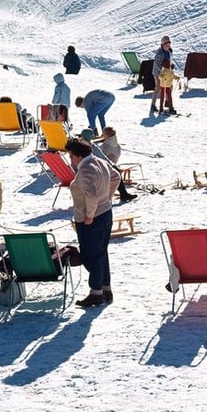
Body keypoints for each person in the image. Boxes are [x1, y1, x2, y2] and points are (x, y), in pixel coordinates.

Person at [66, 137, 119, 307]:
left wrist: (89, 214)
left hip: (92, 219)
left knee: (91, 255)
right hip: (105, 213)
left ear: (77, 156)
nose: (70, 159)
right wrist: (108, 198)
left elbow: (91, 195)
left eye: (71, 156)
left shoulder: (85, 169)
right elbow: (116, 177)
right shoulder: (100, 161)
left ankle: (96, 292)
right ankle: (105, 288)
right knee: (101, 252)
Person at [95, 127, 137, 203]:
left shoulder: (106, 145)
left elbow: (100, 156)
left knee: (115, 172)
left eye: (103, 133)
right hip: (111, 163)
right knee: (116, 171)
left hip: (106, 165)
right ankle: (123, 193)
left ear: (107, 135)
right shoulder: (113, 141)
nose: (102, 135)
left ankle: (122, 194)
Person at [151, 36, 175, 115]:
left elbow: (168, 62)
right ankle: (153, 104)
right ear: (163, 44)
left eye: (169, 43)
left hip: (165, 73)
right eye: (166, 44)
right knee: (158, 88)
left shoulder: (168, 52)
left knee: (169, 87)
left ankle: (167, 102)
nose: (168, 45)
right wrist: (161, 73)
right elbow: (157, 65)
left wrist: (171, 66)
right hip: (158, 73)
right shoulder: (160, 53)